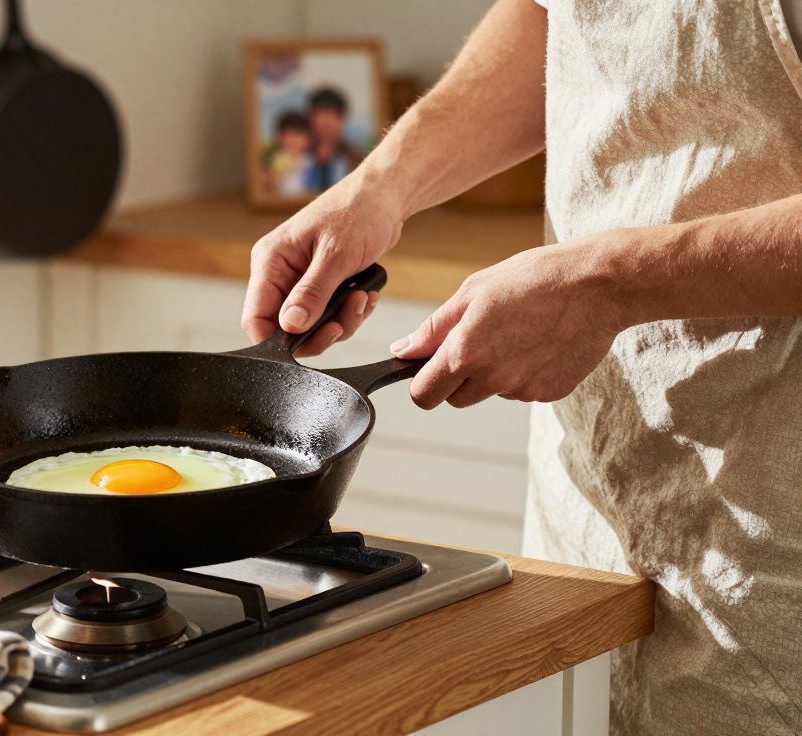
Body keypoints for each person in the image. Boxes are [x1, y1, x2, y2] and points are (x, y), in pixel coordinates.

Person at [241, 1, 802, 733]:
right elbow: (554, 19)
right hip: (591, 506)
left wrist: (608, 284)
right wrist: (380, 186)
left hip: (774, 541)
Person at [303, 87, 363, 192]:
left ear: (343, 120)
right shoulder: (299, 157)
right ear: (310, 118)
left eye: (334, 116)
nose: (327, 123)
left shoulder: (356, 159)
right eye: (321, 115)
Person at [264, 111, 313, 195]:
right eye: (287, 134)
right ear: (279, 137)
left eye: (297, 134)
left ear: (307, 139)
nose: (292, 140)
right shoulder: (273, 161)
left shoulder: (311, 162)